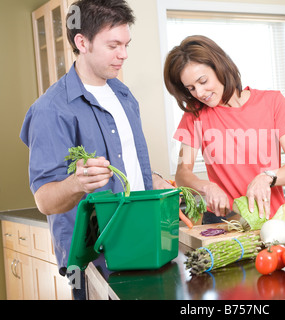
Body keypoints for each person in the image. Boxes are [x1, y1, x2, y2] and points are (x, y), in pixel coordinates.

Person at [20, 0, 171, 299]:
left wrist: (154, 180)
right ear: (82, 42)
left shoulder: (123, 94)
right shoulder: (50, 110)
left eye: (126, 44)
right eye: (113, 45)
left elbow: (125, 162)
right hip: (93, 262)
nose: (123, 55)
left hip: (139, 244)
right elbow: (45, 201)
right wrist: (77, 183)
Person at [164, 35, 285, 223]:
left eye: (203, 81)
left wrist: (267, 177)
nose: (199, 93)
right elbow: (182, 173)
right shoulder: (194, 114)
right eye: (191, 88)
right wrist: (207, 187)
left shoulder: (272, 102)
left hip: (272, 221)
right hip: (223, 222)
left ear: (220, 67)